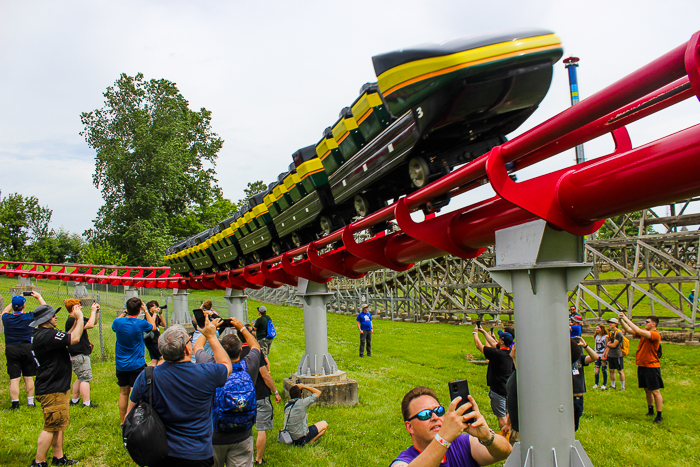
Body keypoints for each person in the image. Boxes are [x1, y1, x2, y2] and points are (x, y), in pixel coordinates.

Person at [128, 317, 233, 466]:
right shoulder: (206, 373)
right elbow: (226, 365)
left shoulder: (147, 376)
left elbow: (130, 415)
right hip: (197, 454)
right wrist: (211, 336)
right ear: (187, 349)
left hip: (159, 451)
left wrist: (133, 445)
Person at [195, 317, 261, 467]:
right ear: (240, 350)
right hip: (243, 434)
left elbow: (197, 348)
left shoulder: (210, 366)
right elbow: (256, 346)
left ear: (218, 350)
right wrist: (242, 328)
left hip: (214, 435)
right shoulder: (249, 365)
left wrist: (210, 332)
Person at [390, 386, 511, 467]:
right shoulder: (404, 461)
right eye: (425, 414)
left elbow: (506, 452)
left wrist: (488, 437)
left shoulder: (462, 444)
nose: (434, 417)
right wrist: (444, 437)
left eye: (438, 410)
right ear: (409, 427)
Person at [30, 303, 84, 466]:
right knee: (51, 426)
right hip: (51, 388)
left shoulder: (44, 333)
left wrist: (75, 320)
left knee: (58, 424)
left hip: (56, 386)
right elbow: (74, 338)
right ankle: (39, 462)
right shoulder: (46, 335)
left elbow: (67, 336)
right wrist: (80, 317)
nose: (56, 317)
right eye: (53, 315)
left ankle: (58, 458)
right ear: (46, 319)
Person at [239, 325, 282, 465]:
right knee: (261, 428)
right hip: (260, 395)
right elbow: (265, 376)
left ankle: (245, 456)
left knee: (245, 429)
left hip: (243, 396)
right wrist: (275, 391)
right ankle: (258, 458)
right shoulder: (254, 353)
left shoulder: (235, 352)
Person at [112, 297, 156, 423]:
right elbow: (153, 326)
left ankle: (122, 422)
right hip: (137, 364)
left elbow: (116, 322)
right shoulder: (140, 323)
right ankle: (132, 420)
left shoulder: (118, 322)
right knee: (135, 393)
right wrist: (146, 310)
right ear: (139, 310)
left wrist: (125, 312)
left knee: (123, 393)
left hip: (121, 364)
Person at [617, 313, 664, 423]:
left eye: (647, 322)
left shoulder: (654, 334)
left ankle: (659, 415)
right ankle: (650, 409)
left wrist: (626, 318)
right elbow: (629, 330)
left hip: (651, 366)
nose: (645, 323)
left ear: (654, 324)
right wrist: (621, 321)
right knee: (647, 389)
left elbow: (637, 331)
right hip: (642, 365)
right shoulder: (646, 333)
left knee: (655, 391)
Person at [2, 292, 44, 410]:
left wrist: (15, 300)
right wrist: (39, 297)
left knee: (14, 378)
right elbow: (46, 310)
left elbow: (4, 311)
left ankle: (15, 404)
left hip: (12, 349)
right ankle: (30, 402)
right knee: (29, 376)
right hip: (27, 348)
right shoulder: (29, 317)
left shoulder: (6, 318)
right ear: (24, 306)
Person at [472, 326, 513, 431]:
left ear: (502, 342)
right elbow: (494, 343)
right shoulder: (510, 352)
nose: (498, 339)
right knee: (508, 414)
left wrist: (475, 333)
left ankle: (506, 439)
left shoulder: (497, 354)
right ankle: (511, 436)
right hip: (507, 389)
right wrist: (483, 332)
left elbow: (478, 346)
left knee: (501, 417)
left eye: (500, 338)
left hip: (497, 390)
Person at [64, 298, 100, 408]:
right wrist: (92, 311)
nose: (81, 307)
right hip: (79, 354)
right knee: (85, 378)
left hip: (77, 353)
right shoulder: (72, 320)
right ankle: (86, 403)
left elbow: (93, 321)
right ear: (73, 308)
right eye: (79, 305)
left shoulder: (76, 318)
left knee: (80, 377)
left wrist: (96, 312)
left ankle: (74, 400)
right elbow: (89, 325)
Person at [572, 336, 598, 431]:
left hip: (578, 398)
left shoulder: (580, 359)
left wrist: (585, 346)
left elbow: (595, 357)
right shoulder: (560, 361)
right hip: (567, 398)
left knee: (575, 427)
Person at [606, 318, 626, 391]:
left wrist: (608, 344)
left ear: (616, 324)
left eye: (612, 323)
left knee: (620, 370)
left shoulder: (618, 333)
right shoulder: (611, 332)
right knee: (611, 370)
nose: (610, 324)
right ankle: (612, 385)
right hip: (611, 354)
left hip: (617, 354)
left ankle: (622, 386)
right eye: (609, 322)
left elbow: (614, 345)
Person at [144, 300, 166, 366]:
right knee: (162, 358)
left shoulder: (155, 316)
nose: (156, 308)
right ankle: (159, 372)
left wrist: (161, 314)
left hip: (155, 338)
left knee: (154, 360)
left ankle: (152, 374)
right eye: (154, 306)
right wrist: (154, 314)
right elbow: (152, 325)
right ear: (149, 308)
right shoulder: (149, 316)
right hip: (151, 340)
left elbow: (163, 324)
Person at [592, 323, 608, 389]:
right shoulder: (596, 336)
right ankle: (596, 383)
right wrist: (594, 355)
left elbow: (607, 346)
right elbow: (595, 346)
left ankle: (604, 384)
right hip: (597, 354)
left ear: (602, 329)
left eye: (598, 328)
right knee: (596, 369)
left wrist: (605, 355)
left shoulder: (606, 337)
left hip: (603, 354)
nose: (597, 329)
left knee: (604, 369)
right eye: (596, 328)